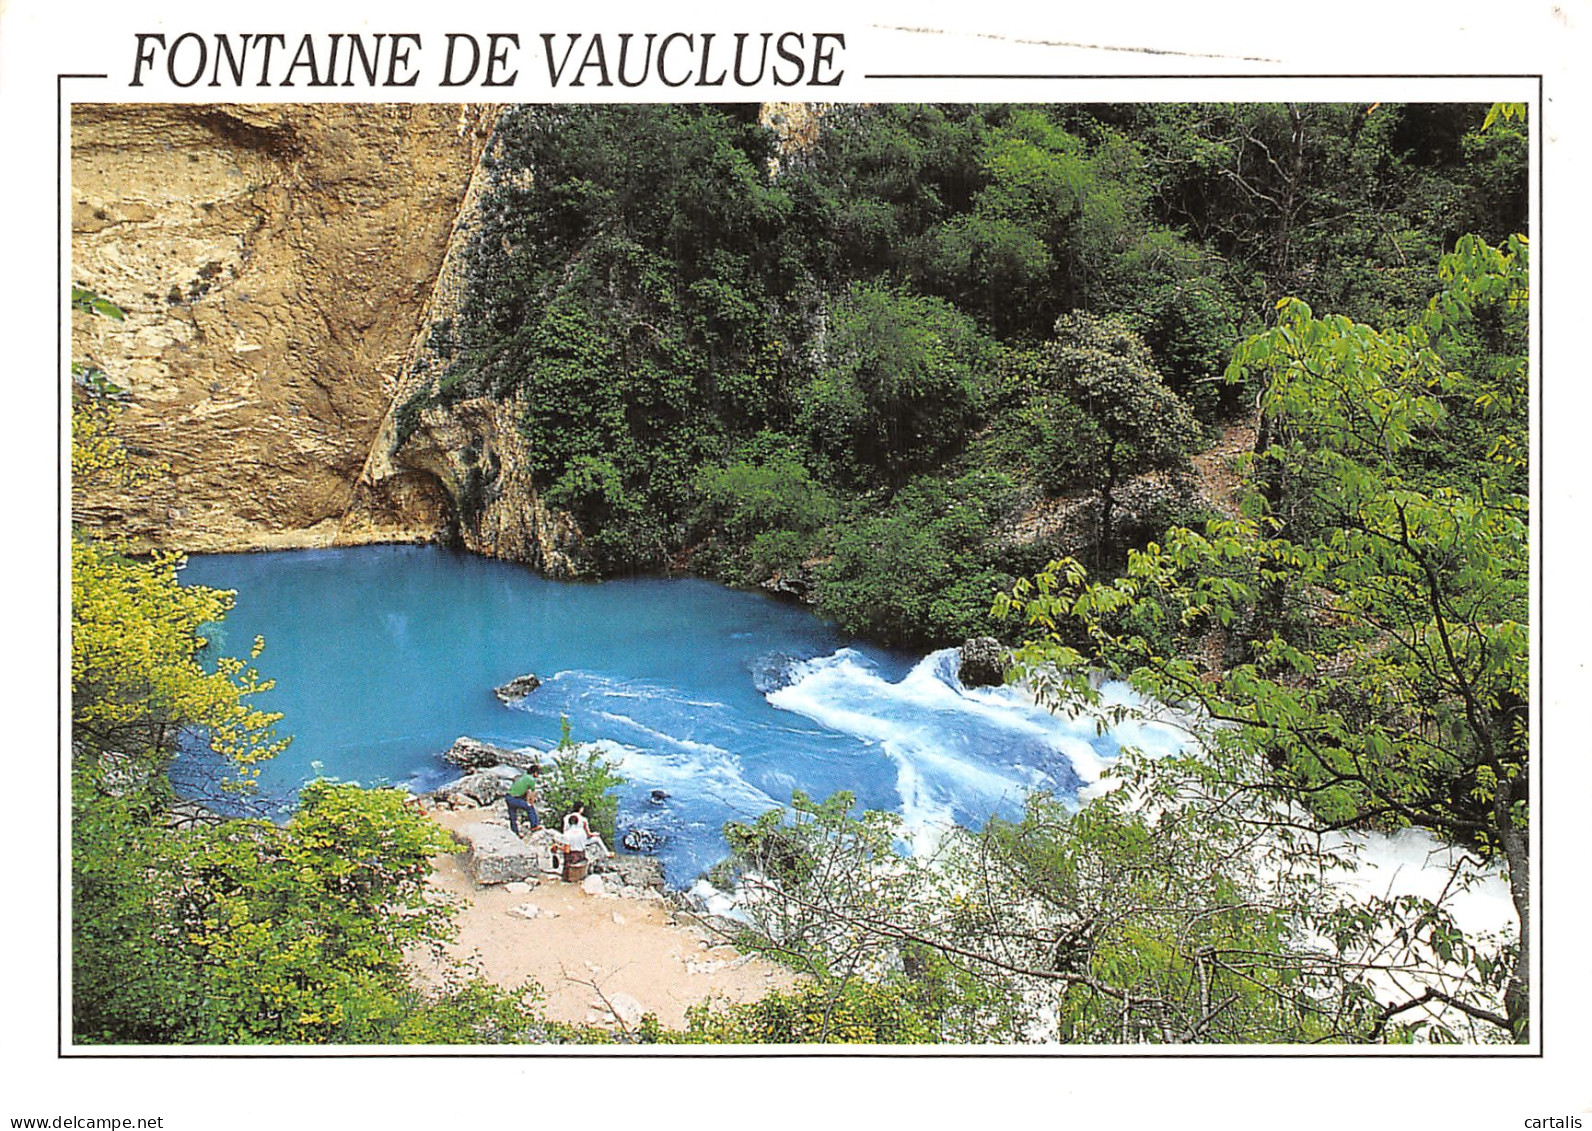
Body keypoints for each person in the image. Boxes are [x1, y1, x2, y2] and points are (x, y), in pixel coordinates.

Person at [504, 765, 543, 835]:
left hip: (508, 797)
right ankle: (534, 825)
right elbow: (531, 793)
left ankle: (515, 833)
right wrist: (530, 803)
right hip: (515, 799)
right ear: (534, 772)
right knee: (530, 808)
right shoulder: (531, 779)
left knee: (512, 816)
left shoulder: (523, 776)